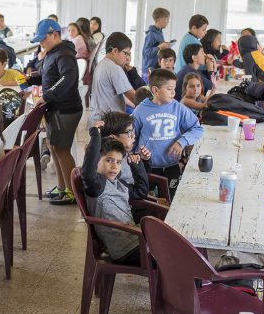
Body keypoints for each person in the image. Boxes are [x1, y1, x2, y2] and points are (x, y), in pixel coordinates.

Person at [24, 19, 82, 207]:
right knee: (54, 147)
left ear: (55, 34)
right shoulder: (52, 53)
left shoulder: (64, 54)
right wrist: (31, 79)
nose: (41, 43)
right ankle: (61, 186)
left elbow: (68, 77)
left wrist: (48, 95)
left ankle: (73, 192)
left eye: (43, 39)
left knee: (62, 149)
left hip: (65, 109)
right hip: (55, 108)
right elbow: (49, 75)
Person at [80, 127, 149, 265]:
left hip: (137, 241)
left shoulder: (119, 184)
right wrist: (95, 136)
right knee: (172, 259)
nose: (115, 167)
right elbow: (87, 172)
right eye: (109, 160)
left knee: (178, 252)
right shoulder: (97, 186)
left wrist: (137, 166)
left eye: (118, 162)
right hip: (125, 250)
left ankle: (194, 284)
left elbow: (141, 192)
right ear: (96, 162)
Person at [132, 69, 203, 197]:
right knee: (148, 200)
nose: (174, 93)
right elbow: (131, 137)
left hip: (172, 165)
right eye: (169, 89)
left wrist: (182, 142)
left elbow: (197, 128)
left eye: (174, 89)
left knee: (170, 199)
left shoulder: (178, 108)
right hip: (148, 167)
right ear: (155, 90)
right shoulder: (140, 110)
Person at [88, 32, 135, 125]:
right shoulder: (114, 68)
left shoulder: (102, 64)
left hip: (99, 119)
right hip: (110, 122)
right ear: (115, 51)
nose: (127, 58)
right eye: (126, 53)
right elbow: (132, 96)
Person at [141, 7, 171, 78]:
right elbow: (146, 52)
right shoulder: (151, 34)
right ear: (159, 20)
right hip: (148, 71)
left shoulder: (159, 32)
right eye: (166, 19)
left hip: (155, 68)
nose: (168, 21)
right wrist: (160, 47)